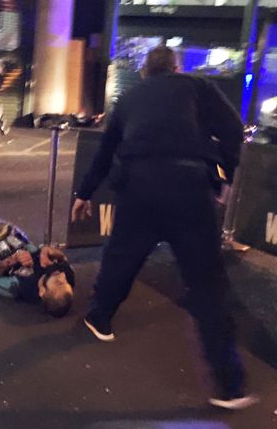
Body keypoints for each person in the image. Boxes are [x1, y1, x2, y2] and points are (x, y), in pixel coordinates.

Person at [71, 46, 256, 410]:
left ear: (144, 73)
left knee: (122, 257)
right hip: (189, 185)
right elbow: (234, 130)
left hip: (139, 185)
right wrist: (221, 176)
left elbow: (105, 151)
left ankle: (100, 317)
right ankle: (230, 386)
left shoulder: (129, 98)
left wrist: (84, 193)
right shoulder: (197, 86)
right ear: (176, 67)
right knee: (206, 283)